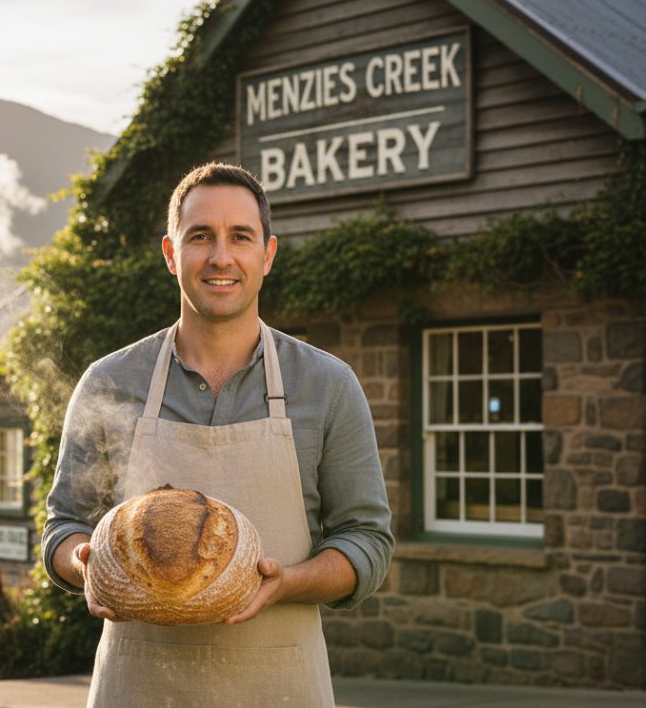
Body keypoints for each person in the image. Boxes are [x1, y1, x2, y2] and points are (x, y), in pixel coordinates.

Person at [42, 162, 394, 707]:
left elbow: (367, 540)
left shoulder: (327, 386)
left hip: (280, 690)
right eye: (200, 236)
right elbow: (64, 525)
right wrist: (87, 563)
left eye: (241, 237)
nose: (221, 257)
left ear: (267, 255)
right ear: (170, 253)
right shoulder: (111, 381)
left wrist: (287, 583)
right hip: (138, 689)